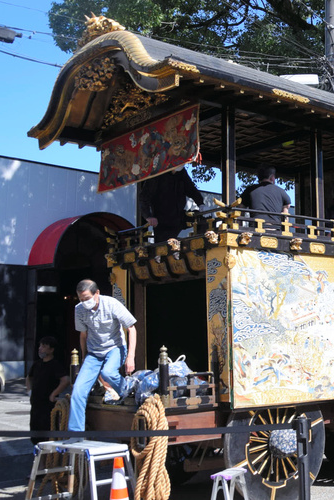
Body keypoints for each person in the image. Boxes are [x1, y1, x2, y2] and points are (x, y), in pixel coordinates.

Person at [68, 279, 137, 432]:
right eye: (81, 299)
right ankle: (75, 433)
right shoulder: (79, 309)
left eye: (87, 298)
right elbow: (83, 335)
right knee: (78, 392)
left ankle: (127, 390)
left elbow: (131, 328)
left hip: (115, 348)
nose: (84, 302)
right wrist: (84, 357)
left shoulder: (111, 304)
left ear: (97, 293)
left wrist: (130, 357)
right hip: (94, 352)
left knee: (108, 372)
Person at [138, 166, 206, 242]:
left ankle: (200, 250)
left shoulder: (182, 172)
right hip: (162, 220)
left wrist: (200, 203)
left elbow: (190, 189)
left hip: (179, 216)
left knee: (202, 221)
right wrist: (148, 216)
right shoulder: (158, 173)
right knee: (164, 247)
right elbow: (144, 197)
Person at [26, 336, 70, 444]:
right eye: (40, 346)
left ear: (51, 349)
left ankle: (48, 458)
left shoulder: (55, 365)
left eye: (44, 346)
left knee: (47, 431)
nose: (40, 348)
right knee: (34, 431)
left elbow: (65, 380)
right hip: (36, 403)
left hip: (48, 405)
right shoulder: (37, 364)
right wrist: (29, 391)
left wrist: (53, 394)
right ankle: (37, 453)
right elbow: (29, 378)